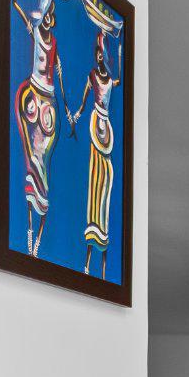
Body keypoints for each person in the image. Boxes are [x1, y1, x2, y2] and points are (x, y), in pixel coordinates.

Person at [11, 0, 75, 258]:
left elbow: (60, 78)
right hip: (35, 95)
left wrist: (70, 113)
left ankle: (36, 243)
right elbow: (14, 4)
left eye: (51, 13)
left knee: (43, 167)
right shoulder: (35, 30)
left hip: (47, 101)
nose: (50, 17)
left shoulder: (55, 43)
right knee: (30, 162)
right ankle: (28, 238)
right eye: (48, 12)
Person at [68, 31, 121, 276]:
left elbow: (118, 80)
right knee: (95, 179)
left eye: (102, 52)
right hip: (95, 125)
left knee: (107, 179)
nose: (99, 56)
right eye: (97, 52)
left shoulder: (109, 79)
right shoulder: (92, 76)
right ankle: (90, 256)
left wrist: (121, 56)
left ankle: (102, 252)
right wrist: (77, 116)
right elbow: (84, 99)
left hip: (107, 129)